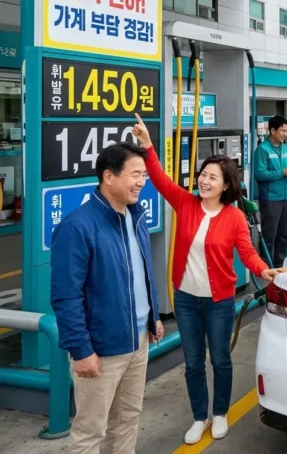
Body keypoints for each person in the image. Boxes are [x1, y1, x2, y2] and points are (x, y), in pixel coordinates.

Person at [130, 114, 287, 444]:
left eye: (212, 177)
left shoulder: (234, 217)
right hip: (185, 299)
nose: (204, 181)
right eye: (203, 175)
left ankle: (220, 413)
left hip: (219, 301)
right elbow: (159, 179)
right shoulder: (186, 203)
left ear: (226, 184)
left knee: (220, 359)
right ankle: (199, 416)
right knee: (192, 362)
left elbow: (247, 253)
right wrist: (147, 145)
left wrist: (263, 270)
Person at [50, 143, 164, 454]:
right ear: (108, 177)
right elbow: (66, 296)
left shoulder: (134, 215)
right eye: (135, 174)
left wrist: (153, 314)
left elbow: (142, 271)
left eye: (144, 175)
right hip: (100, 350)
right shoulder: (77, 226)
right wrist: (81, 349)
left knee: (128, 419)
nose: (142, 181)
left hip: (138, 341)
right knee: (90, 432)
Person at [253, 115, 287, 267]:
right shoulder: (262, 150)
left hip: (285, 196)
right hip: (270, 199)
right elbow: (259, 174)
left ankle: (279, 266)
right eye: (282, 131)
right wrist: (282, 173)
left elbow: (286, 168)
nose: (285, 134)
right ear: (272, 130)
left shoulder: (285, 148)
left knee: (283, 235)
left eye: (286, 131)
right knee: (269, 235)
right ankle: (265, 267)